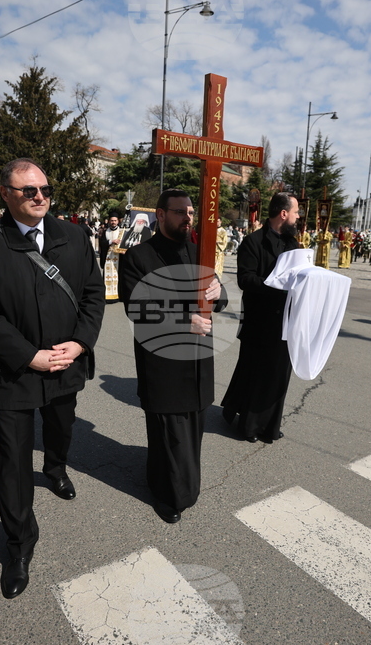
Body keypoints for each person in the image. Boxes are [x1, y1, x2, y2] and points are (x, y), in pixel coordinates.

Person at [0, 158, 104, 599]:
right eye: (27, 190)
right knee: (13, 459)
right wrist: (28, 356)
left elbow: (93, 295)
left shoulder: (73, 236)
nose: (39, 196)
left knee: (61, 427)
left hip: (65, 362)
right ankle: (20, 544)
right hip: (14, 373)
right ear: (6, 194)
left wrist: (79, 344)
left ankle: (56, 468)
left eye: (43, 188)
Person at [119, 189, 227, 525]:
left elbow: (218, 296)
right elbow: (138, 308)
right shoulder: (138, 257)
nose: (187, 218)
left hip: (197, 361)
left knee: (193, 427)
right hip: (162, 363)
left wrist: (218, 291)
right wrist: (185, 321)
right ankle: (167, 494)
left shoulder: (199, 252)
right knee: (168, 432)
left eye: (191, 212)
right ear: (160, 215)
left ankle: (184, 483)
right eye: (180, 212)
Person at [221, 192, 300, 443]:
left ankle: (270, 426)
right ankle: (249, 426)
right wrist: (275, 285)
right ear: (283, 214)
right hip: (259, 322)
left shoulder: (293, 245)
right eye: (296, 212)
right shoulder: (253, 242)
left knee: (278, 375)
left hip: (285, 322)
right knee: (255, 374)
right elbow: (245, 279)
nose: (299, 217)